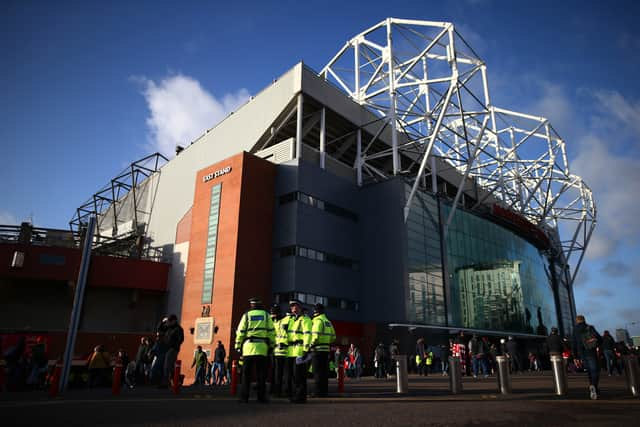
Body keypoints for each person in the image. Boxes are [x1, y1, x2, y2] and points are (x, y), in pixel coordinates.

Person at [235, 297, 275, 403]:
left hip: (248, 349)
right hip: (262, 349)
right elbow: (271, 332)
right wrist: (271, 345)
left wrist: (238, 346)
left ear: (251, 305)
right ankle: (261, 397)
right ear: (260, 305)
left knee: (246, 375)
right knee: (261, 375)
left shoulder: (246, 315)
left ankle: (244, 397)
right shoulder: (266, 316)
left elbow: (240, 332)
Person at [572, 314, 602, 400]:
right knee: (595, 370)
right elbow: (599, 339)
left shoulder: (575, 330)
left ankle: (592, 387)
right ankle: (594, 386)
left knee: (589, 370)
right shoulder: (589, 327)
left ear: (577, 321)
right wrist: (596, 345)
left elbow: (573, 343)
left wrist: (575, 356)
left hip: (581, 353)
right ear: (584, 320)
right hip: (591, 351)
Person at [287, 299, 311, 403]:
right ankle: (296, 395)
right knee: (293, 376)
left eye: (295, 306)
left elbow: (308, 335)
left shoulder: (305, 320)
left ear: (300, 307)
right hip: (291, 351)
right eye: (292, 306)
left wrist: (305, 350)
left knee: (299, 376)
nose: (293, 308)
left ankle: (301, 397)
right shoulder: (291, 320)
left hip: (300, 351)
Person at [309, 303, 336, 397]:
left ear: (316, 311)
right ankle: (324, 391)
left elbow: (315, 336)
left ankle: (317, 392)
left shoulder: (318, 321)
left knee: (317, 372)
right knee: (324, 372)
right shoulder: (328, 321)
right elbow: (333, 337)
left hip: (317, 349)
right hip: (326, 350)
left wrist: (310, 345)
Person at [270, 304, 289, 396]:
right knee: (276, 373)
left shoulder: (286, 320)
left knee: (284, 373)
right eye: (271, 314)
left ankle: (283, 391)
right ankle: (275, 390)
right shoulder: (273, 322)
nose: (272, 316)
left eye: (273, 314)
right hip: (275, 352)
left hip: (285, 351)